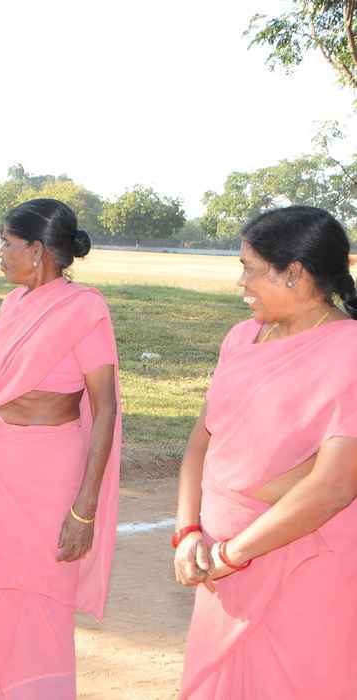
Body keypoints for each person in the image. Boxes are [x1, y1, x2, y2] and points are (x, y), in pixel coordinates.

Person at [0, 199, 122, 699]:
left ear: (37, 251)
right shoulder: (12, 304)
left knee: (38, 601)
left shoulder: (84, 308)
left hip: (46, 475)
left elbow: (105, 409)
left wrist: (84, 509)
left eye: (6, 243)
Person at [174, 206, 357, 699]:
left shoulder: (349, 352)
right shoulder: (241, 338)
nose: (242, 282)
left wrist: (234, 553)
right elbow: (201, 442)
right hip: (220, 564)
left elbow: (335, 485)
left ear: (294, 273)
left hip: (302, 567)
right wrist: (187, 532)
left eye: (250, 269)